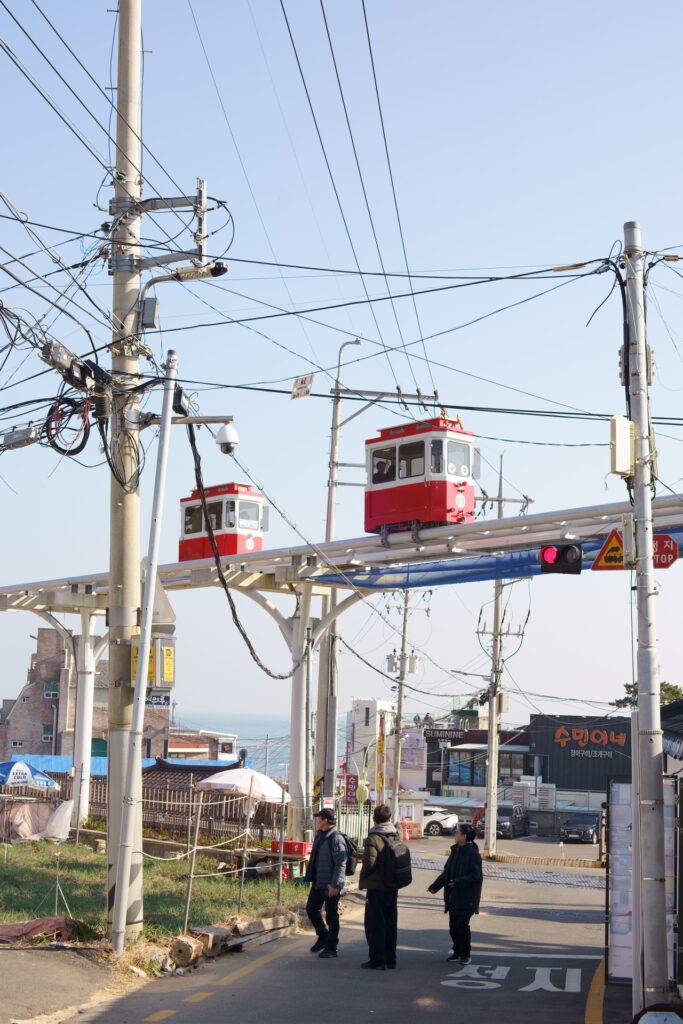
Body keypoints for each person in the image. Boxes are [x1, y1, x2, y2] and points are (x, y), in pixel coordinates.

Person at [427, 822, 482, 964]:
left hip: (466, 897)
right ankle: (457, 952)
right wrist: (435, 886)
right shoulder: (455, 851)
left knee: (462, 926)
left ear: (464, 836)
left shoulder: (472, 854)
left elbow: (476, 876)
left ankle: (465, 954)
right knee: (453, 927)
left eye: (458, 832)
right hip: (453, 896)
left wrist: (458, 882)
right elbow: (447, 872)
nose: (455, 834)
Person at [358, 804, 400, 970]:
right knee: (390, 923)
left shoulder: (373, 838)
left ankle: (377, 960)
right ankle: (390, 959)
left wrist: (363, 878)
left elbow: (369, 864)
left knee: (376, 924)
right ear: (389, 818)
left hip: (377, 888)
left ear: (374, 819)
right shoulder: (396, 835)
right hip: (393, 886)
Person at [304, 808, 347, 959]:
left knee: (331, 916)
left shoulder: (336, 838)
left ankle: (332, 947)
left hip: (331, 884)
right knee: (311, 909)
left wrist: (335, 884)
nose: (317, 820)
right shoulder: (320, 835)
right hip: (319, 881)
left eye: (319, 818)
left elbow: (341, 863)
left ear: (325, 820)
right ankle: (323, 936)